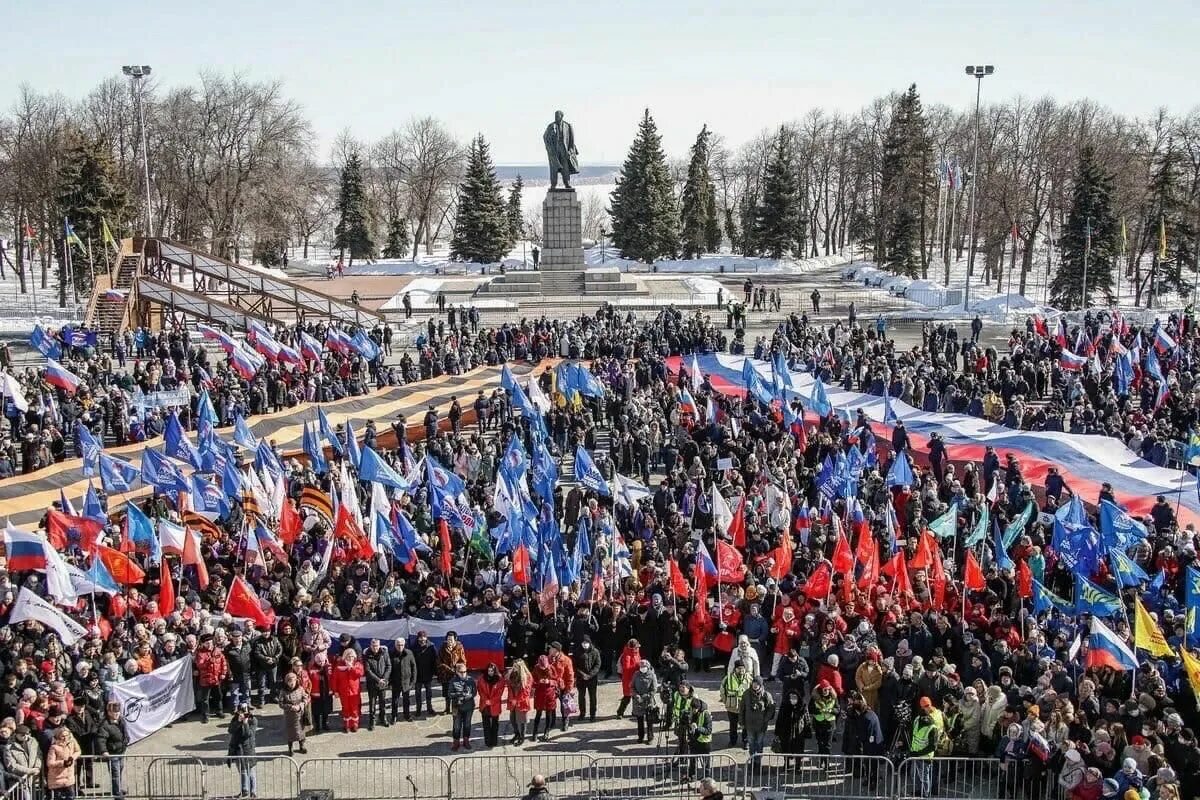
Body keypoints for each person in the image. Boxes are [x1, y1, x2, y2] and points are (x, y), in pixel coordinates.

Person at [909, 697, 943, 797]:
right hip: (915, 754)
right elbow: (913, 735)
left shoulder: (932, 727)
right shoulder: (917, 720)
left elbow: (933, 746)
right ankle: (919, 791)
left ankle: (925, 795)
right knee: (914, 775)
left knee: (924, 777)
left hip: (925, 757)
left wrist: (918, 753)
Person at [95, 703, 128, 799]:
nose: (117, 713)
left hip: (121, 751)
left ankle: (118, 789)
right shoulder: (104, 725)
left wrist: (126, 740)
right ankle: (117, 794)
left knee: (120, 771)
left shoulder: (121, 720)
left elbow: (125, 732)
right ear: (109, 712)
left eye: (118, 711)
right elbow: (101, 739)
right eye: (114, 712)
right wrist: (104, 751)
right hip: (112, 754)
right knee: (115, 774)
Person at [227, 704, 257, 799]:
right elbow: (230, 730)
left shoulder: (253, 720)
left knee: (250, 771)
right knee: (242, 771)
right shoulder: (235, 719)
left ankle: (253, 791)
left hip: (248, 749)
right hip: (237, 749)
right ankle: (244, 790)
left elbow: (248, 734)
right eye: (241, 712)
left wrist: (245, 723)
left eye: (245, 712)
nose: (243, 714)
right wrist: (238, 722)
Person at [719, 659, 752, 747]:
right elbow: (722, 691)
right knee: (733, 726)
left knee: (745, 725)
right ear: (735, 669)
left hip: (745, 707)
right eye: (739, 668)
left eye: (742, 668)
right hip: (732, 707)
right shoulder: (728, 678)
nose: (741, 670)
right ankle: (733, 741)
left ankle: (746, 741)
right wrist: (726, 702)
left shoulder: (749, 678)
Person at [362, 638, 391, 730]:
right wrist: (378, 680)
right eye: (373, 646)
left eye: (377, 646)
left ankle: (383, 718)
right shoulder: (367, 655)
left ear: (379, 645)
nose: (375, 648)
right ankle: (372, 720)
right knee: (372, 703)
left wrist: (384, 678)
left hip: (383, 683)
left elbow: (388, 666)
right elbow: (368, 671)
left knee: (382, 702)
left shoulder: (384, 653)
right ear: (370, 646)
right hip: (372, 683)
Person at [45, 725, 81, 800]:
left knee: (71, 797)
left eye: (67, 735)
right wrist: (63, 763)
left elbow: (78, 751)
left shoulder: (72, 742)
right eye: (62, 736)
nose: (65, 738)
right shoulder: (53, 747)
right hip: (57, 778)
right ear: (58, 736)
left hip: (69, 777)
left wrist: (72, 758)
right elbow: (50, 763)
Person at [333, 649, 364, 732]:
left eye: (352, 656)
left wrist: (351, 668)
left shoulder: (358, 664)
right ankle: (347, 725)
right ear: (344, 657)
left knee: (354, 709)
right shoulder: (339, 666)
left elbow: (360, 674)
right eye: (348, 656)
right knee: (345, 708)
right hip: (343, 692)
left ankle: (355, 724)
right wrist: (335, 691)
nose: (350, 658)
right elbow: (335, 679)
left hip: (354, 692)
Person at [630, 660, 660, 745]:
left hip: (648, 701)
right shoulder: (636, 674)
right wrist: (636, 695)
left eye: (644, 667)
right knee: (639, 721)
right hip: (638, 701)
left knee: (649, 721)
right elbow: (632, 687)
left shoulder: (652, 675)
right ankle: (640, 737)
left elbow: (654, 689)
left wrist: (645, 696)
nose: (642, 668)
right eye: (641, 667)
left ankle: (650, 737)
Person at [278, 671, 308, 756]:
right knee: (290, 732)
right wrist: (290, 707)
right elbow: (280, 703)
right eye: (289, 681)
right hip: (289, 716)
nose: (292, 683)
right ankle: (290, 748)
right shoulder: (283, 691)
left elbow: (306, 698)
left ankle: (301, 745)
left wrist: (300, 706)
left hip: (300, 714)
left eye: (293, 681)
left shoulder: (300, 689)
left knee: (301, 731)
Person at [437, 632, 467, 714]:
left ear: (455, 639)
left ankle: (455, 709)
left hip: (456, 674)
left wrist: (456, 669)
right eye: (448, 639)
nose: (449, 641)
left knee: (455, 693)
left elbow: (463, 661)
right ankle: (447, 709)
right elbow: (439, 661)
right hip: (445, 674)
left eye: (451, 639)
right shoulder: (443, 647)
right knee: (447, 693)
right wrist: (446, 668)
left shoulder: (459, 648)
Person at [475, 663, 505, 748]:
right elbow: (480, 690)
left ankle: (494, 741)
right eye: (488, 671)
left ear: (495, 671)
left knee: (495, 725)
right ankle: (487, 741)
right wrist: (486, 700)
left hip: (495, 705)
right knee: (486, 725)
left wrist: (491, 701)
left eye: (492, 671)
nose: (490, 672)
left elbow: (500, 693)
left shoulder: (500, 680)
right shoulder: (481, 678)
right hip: (485, 705)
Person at [572, 636, 600, 723]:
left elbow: (597, 664)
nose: (585, 644)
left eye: (586, 642)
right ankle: (582, 713)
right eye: (583, 643)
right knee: (581, 697)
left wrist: (590, 675)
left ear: (590, 643)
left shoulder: (595, 651)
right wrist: (582, 674)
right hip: (581, 678)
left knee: (593, 697)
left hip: (592, 678)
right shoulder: (577, 652)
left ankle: (593, 715)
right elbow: (574, 666)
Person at [389, 638, 417, 723]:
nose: (400, 646)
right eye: (398, 645)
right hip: (395, 682)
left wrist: (413, 682)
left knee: (406, 700)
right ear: (395, 645)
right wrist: (389, 682)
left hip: (406, 682)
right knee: (395, 701)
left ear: (404, 645)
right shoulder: (391, 654)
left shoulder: (409, 653)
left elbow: (414, 668)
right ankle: (394, 716)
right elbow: (388, 669)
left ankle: (407, 715)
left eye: (401, 645)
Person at [531, 655, 559, 741]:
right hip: (540, 694)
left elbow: (557, 680)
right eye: (541, 667)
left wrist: (549, 681)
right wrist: (538, 682)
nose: (543, 668)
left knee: (548, 714)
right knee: (538, 714)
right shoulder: (536, 668)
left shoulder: (552, 668)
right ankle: (535, 733)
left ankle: (546, 732)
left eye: (544, 667)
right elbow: (532, 681)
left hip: (549, 694)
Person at [506, 660, 534, 746]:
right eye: (513, 666)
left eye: (515, 667)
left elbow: (526, 692)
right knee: (513, 720)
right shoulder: (511, 675)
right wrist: (512, 699)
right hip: (512, 701)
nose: (513, 668)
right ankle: (517, 734)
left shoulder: (527, 676)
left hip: (522, 702)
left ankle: (522, 737)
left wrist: (516, 700)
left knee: (522, 721)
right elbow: (509, 687)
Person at [305, 652, 334, 734]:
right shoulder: (311, 669)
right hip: (316, 694)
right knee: (316, 711)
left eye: (323, 661)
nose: (321, 663)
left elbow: (333, 679)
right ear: (315, 661)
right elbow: (309, 681)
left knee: (326, 710)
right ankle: (317, 725)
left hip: (327, 693)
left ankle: (325, 724)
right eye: (319, 661)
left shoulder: (329, 668)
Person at [810, 680, 838, 754]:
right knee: (820, 744)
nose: (826, 691)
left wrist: (830, 710)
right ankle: (821, 760)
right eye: (824, 690)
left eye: (827, 689)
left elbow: (838, 709)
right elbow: (810, 709)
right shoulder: (815, 698)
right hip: (818, 723)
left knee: (828, 745)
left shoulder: (833, 697)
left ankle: (826, 763)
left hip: (830, 724)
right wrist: (820, 711)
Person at [616, 639, 642, 718]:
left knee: (635, 697)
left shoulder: (636, 653)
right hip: (628, 679)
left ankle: (635, 712)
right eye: (636, 647)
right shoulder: (626, 655)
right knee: (627, 697)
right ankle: (620, 712)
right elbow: (627, 669)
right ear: (633, 647)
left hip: (636, 678)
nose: (638, 648)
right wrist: (637, 667)